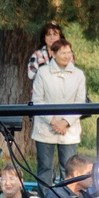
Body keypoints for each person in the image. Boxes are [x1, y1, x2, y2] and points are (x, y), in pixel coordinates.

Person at [31, 40, 89, 184]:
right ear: (53, 53)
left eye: (69, 52)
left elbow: (80, 101)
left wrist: (65, 122)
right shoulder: (43, 73)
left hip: (69, 129)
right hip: (46, 127)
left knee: (69, 168)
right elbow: (38, 100)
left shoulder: (78, 74)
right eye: (62, 52)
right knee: (45, 168)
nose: (66, 56)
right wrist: (53, 121)